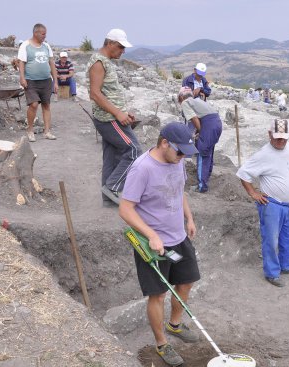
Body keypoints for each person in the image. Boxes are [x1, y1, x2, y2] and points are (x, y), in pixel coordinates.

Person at [118, 122, 200, 367]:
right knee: (158, 294)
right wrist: (151, 234)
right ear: (164, 143)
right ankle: (162, 343)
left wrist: (189, 218)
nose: (183, 156)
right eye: (180, 151)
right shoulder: (142, 169)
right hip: (153, 244)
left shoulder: (178, 160)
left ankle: (174, 325)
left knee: (186, 282)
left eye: (186, 152)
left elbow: (179, 190)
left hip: (178, 237)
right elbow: (125, 208)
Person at [237, 119, 289, 287]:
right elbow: (243, 174)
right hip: (272, 204)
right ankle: (272, 273)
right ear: (269, 134)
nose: (281, 141)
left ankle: (286, 266)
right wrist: (253, 192)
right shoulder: (263, 154)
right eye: (277, 138)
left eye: (284, 138)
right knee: (271, 239)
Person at [88, 28, 142, 206]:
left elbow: (109, 92)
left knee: (111, 157)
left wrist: (124, 112)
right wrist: (118, 113)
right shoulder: (98, 62)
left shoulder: (106, 61)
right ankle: (112, 187)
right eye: (120, 47)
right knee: (134, 151)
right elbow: (95, 94)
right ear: (109, 43)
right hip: (108, 119)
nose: (123, 51)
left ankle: (108, 200)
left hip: (113, 117)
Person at [18, 23, 58, 142]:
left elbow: (51, 63)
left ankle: (47, 131)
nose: (45, 36)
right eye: (43, 34)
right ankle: (30, 130)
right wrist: (22, 78)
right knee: (34, 104)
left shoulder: (46, 46)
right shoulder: (25, 45)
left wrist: (55, 81)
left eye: (45, 34)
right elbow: (21, 63)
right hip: (31, 81)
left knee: (46, 105)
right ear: (35, 33)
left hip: (46, 81)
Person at [178, 87, 222, 193]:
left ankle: (201, 186)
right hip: (217, 124)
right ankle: (206, 178)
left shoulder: (185, 103)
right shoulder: (198, 101)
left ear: (180, 97)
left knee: (202, 153)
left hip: (209, 125)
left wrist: (200, 131)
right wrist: (199, 132)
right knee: (209, 152)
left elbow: (194, 119)